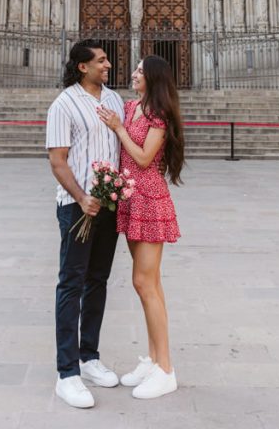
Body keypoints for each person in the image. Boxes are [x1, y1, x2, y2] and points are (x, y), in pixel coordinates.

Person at [98, 55, 184, 400]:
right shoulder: (131, 106)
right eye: (133, 69)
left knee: (143, 282)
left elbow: (146, 158)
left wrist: (118, 128)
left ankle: (166, 369)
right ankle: (152, 359)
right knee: (150, 283)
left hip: (149, 201)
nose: (133, 74)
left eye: (139, 71)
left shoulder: (157, 115)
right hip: (130, 199)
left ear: (153, 78)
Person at [46, 41, 125, 409]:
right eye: (102, 60)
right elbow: (58, 160)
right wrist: (81, 197)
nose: (108, 64)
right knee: (72, 283)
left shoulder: (114, 101)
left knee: (98, 280)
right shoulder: (63, 104)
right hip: (78, 206)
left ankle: (89, 357)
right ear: (82, 66)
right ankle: (67, 373)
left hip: (108, 206)